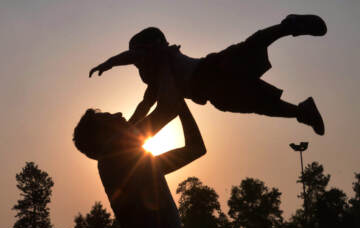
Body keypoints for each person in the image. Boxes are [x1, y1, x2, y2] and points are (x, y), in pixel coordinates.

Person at [89, 14, 327, 135]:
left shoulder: (162, 56)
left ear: (153, 46)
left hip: (210, 70)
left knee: (249, 49)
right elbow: (144, 105)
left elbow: (132, 57)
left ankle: (288, 26)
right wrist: (128, 129)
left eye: (140, 57)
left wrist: (109, 62)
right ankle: (302, 111)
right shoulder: (157, 83)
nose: (138, 64)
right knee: (259, 103)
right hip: (215, 94)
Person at [73, 65, 206, 228]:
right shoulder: (115, 159)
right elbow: (167, 110)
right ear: (104, 136)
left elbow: (196, 148)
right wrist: (166, 69)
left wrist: (171, 96)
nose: (117, 113)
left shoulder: (130, 163)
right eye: (108, 116)